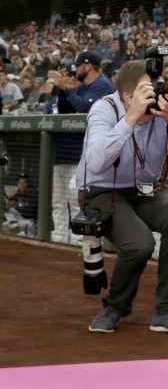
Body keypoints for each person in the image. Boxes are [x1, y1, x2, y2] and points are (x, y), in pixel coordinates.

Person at [78, 59, 168, 334]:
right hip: (103, 188)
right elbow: (95, 161)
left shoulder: (164, 114)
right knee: (140, 244)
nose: (157, 96)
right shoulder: (106, 108)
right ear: (129, 96)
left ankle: (167, 310)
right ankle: (114, 307)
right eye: (147, 91)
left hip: (146, 188)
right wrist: (130, 118)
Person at [47, 50, 114, 245]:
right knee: (70, 198)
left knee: (84, 199)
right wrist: (62, 89)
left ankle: (86, 240)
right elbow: (67, 109)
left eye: (78, 65)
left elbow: (85, 107)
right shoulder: (86, 86)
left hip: (102, 149)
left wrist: (68, 89)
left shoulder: (102, 84)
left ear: (88, 66)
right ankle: (65, 237)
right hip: (89, 149)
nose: (76, 70)